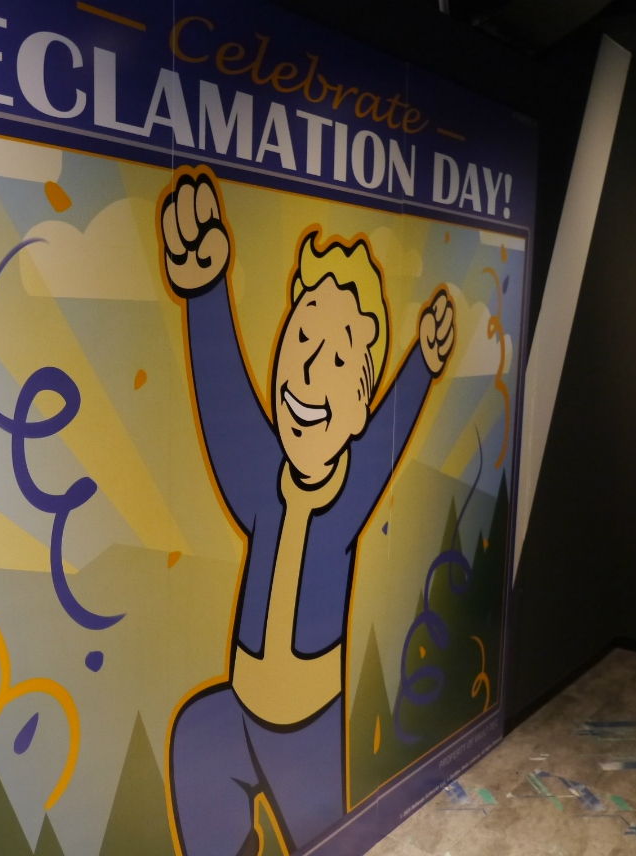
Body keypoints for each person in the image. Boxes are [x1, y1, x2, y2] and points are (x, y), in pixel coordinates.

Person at [160, 166, 455, 855]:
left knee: (325, 838)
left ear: (358, 409)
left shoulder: (349, 496)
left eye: (339, 361)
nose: (310, 371)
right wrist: (205, 289)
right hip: (238, 714)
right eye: (301, 341)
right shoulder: (260, 484)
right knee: (196, 731)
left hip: (307, 729)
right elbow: (226, 396)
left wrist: (422, 363)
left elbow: (388, 434)